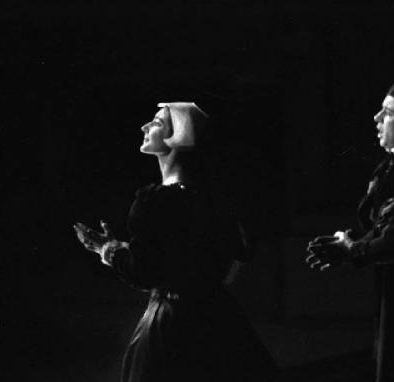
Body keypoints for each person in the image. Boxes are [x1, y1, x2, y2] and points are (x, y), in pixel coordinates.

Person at [73, 102, 276, 381]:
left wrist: (107, 249)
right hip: (218, 319)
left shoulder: (156, 201)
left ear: (177, 135)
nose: (145, 127)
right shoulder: (213, 199)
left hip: (172, 326)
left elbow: (145, 271)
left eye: (156, 122)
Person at [306, 80, 394, 381]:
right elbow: (384, 226)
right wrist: (350, 243)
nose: (376, 119)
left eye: (387, 113)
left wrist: (351, 249)